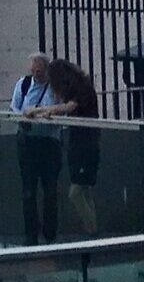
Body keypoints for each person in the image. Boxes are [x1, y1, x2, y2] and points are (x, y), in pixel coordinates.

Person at [38, 59, 103, 235]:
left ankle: (92, 232)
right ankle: (92, 231)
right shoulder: (74, 89)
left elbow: (70, 106)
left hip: (87, 143)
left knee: (75, 192)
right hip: (77, 141)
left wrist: (45, 110)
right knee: (85, 190)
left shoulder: (82, 87)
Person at [9, 54, 62, 244]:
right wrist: (24, 116)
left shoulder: (55, 88)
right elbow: (14, 108)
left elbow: (60, 109)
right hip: (27, 142)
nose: (36, 74)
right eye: (33, 71)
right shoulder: (23, 85)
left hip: (49, 142)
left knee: (50, 191)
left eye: (39, 71)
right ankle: (31, 234)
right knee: (28, 191)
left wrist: (39, 112)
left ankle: (50, 234)